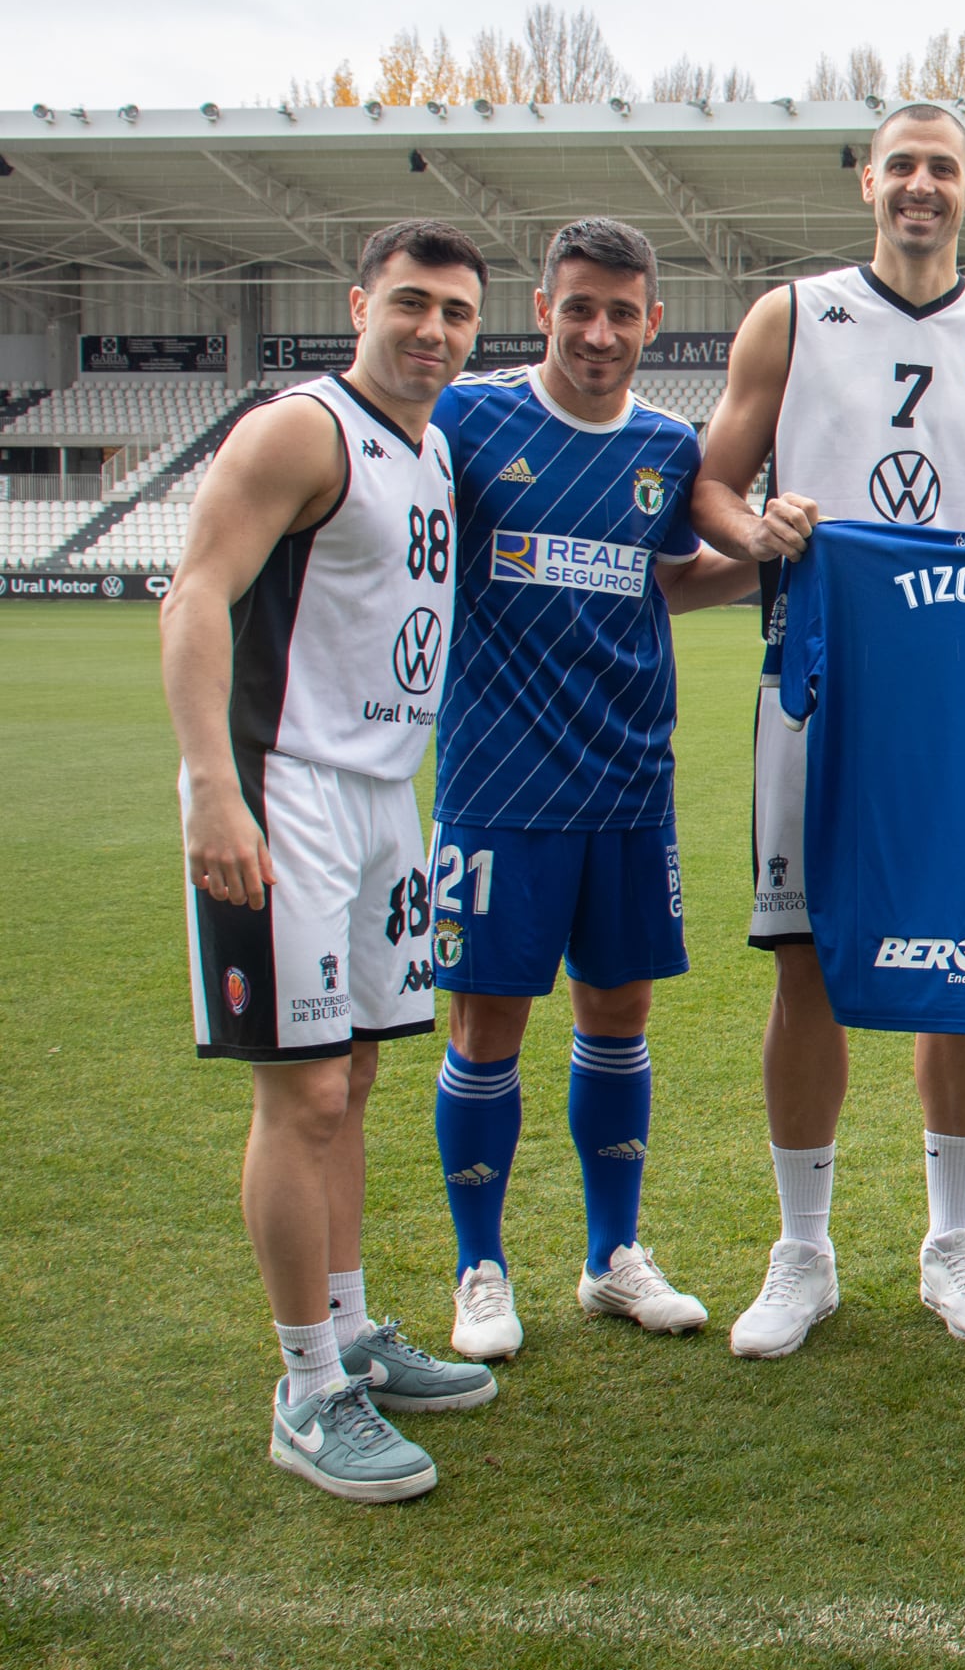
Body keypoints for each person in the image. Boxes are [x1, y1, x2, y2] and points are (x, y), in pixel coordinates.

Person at [690, 102, 965, 1353]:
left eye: (942, 169)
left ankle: (952, 1243)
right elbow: (709, 486)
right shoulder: (791, 314)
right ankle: (803, 1253)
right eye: (901, 167)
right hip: (822, 680)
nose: (920, 188)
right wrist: (755, 529)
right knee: (807, 963)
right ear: (867, 185)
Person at [164, 219, 495, 1502]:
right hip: (281, 786)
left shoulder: (437, 453)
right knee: (298, 1095)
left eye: (458, 314)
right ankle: (305, 1387)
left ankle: (348, 1327)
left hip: (380, 796)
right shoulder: (300, 428)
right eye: (411, 303)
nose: (432, 331)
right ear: (359, 303)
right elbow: (196, 593)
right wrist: (211, 788)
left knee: (352, 1077)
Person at [426, 217, 758, 1360]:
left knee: (619, 1014)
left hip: (627, 782)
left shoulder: (668, 447)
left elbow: (670, 581)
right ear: (542, 309)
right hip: (496, 785)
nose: (600, 331)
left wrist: (780, 555)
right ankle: (480, 1266)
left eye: (622, 312)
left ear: (653, 321)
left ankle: (611, 1256)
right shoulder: (469, 420)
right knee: (487, 1024)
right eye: (580, 308)